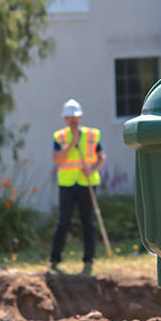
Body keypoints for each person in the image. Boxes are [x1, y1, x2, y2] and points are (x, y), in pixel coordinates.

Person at [50, 99, 106, 275]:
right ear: (65, 119)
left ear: (80, 117)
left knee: (88, 222)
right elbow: (57, 158)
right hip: (67, 184)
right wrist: (71, 144)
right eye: (69, 117)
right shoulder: (60, 136)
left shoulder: (92, 135)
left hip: (86, 183)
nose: (73, 120)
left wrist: (93, 169)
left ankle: (89, 258)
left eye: (75, 117)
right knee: (63, 222)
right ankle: (54, 258)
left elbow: (101, 157)